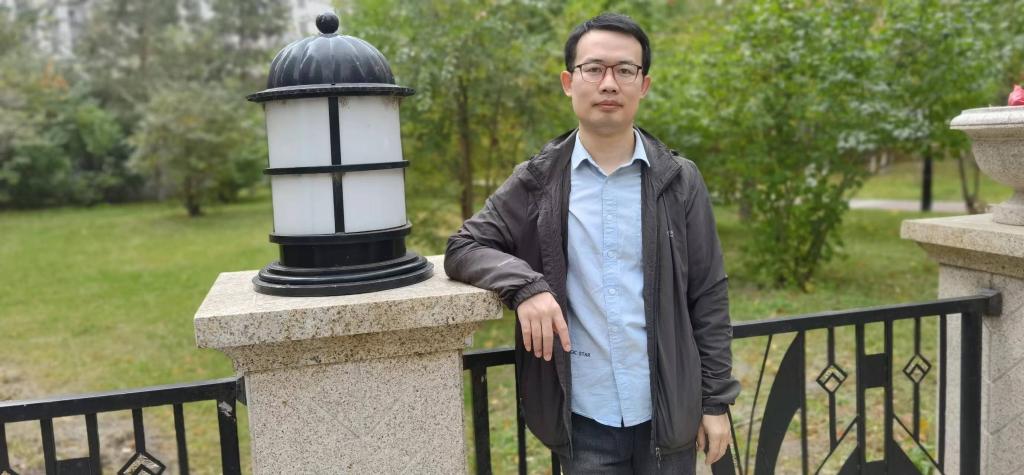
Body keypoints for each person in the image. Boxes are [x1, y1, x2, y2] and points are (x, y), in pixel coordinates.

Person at [444, 12, 740, 474]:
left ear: (643, 85)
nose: (609, 83)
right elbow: (464, 246)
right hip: (584, 419)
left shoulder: (679, 180)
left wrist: (716, 401)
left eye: (625, 70)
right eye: (594, 69)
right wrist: (526, 287)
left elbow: (708, 294)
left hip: (668, 413)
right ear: (569, 82)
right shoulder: (538, 180)